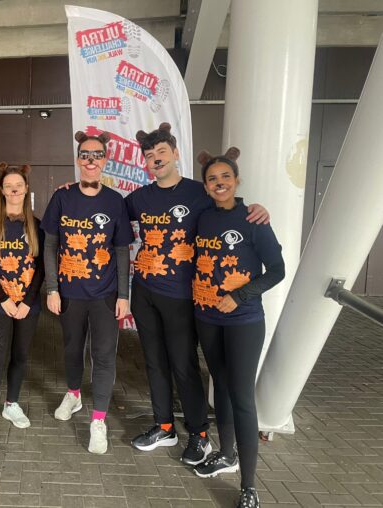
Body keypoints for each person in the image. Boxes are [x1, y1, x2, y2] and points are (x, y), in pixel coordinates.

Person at [125, 123, 269, 465]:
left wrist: (257, 209)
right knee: (154, 361)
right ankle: (164, 427)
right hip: (143, 291)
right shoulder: (139, 198)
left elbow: (230, 207)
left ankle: (199, 434)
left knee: (183, 364)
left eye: (162, 152)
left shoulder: (199, 193)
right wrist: (74, 192)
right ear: (145, 162)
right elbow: (106, 211)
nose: (156, 159)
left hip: (182, 295)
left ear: (175, 153)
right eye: (150, 155)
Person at [191, 148, 284, 508]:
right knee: (221, 387)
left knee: (242, 397)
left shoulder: (253, 219)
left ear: (236, 180)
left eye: (225, 177)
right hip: (206, 318)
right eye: (212, 179)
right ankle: (226, 454)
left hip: (243, 320)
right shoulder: (202, 217)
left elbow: (277, 271)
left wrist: (240, 295)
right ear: (205, 186)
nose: (219, 183)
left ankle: (248, 486)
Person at [41, 130, 134, 454]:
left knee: (104, 355)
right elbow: (50, 245)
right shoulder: (62, 197)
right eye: (85, 155)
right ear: (78, 160)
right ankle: (74, 394)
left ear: (105, 160)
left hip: (105, 294)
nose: (91, 160)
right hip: (70, 292)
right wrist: (52, 288)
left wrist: (124, 295)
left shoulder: (114, 201)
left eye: (97, 155)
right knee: (71, 349)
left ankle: (98, 420)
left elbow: (121, 250)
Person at [0, 162, 45, 452]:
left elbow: (41, 268)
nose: (14, 190)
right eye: (8, 186)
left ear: (26, 189)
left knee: (20, 356)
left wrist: (27, 301)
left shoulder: (36, 225)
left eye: (18, 185)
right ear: (2, 191)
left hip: (28, 305)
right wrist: (3, 298)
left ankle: (11, 403)